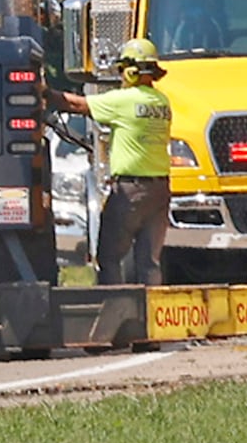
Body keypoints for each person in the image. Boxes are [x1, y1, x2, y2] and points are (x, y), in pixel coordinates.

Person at [49, 38, 173, 285]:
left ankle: (115, 311)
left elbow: (76, 104)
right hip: (160, 190)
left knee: (109, 256)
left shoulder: (125, 100)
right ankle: (150, 313)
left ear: (130, 70)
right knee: (149, 261)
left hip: (131, 190)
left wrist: (41, 90)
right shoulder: (162, 102)